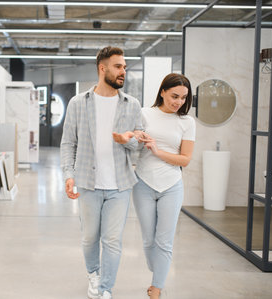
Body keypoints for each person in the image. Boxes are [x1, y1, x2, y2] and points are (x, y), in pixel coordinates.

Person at [60, 46, 148, 299]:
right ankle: (94, 274)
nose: (123, 72)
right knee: (89, 238)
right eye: (118, 66)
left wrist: (126, 140)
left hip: (120, 184)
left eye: (124, 67)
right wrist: (69, 174)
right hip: (88, 182)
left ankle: (106, 287)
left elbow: (139, 144)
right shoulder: (78, 103)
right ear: (103, 68)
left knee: (112, 240)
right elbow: (68, 143)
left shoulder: (132, 105)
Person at [114, 73, 195, 298]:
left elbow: (185, 160)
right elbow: (132, 145)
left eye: (183, 98)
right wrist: (131, 138)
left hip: (172, 185)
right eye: (174, 96)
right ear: (162, 92)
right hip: (143, 184)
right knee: (149, 240)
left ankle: (157, 287)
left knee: (164, 241)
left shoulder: (187, 122)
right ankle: (158, 267)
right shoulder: (144, 114)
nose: (178, 102)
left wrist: (158, 151)